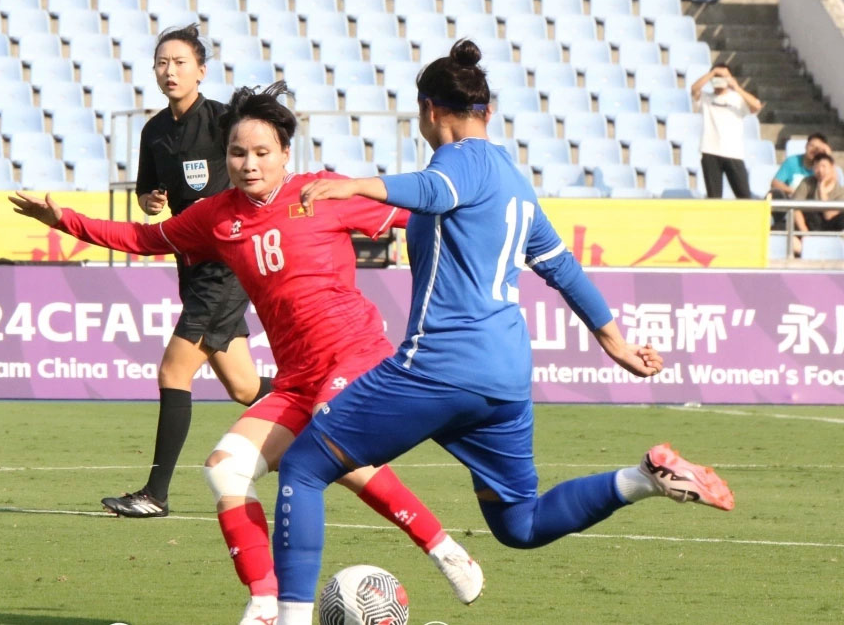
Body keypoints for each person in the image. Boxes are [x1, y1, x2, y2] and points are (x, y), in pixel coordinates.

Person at [271, 40, 735, 625]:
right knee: (521, 524)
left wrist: (356, 184)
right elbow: (561, 267)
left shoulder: (460, 158)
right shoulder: (514, 180)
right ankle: (643, 479)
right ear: (488, 110)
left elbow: (435, 190)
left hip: (441, 366)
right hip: (505, 377)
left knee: (305, 466)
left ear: (429, 111)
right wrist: (615, 344)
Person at [10, 82, 484, 625]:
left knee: (326, 458)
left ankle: (421, 559)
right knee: (225, 471)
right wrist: (65, 220)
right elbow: (144, 238)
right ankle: (265, 600)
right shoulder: (216, 217)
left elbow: (424, 216)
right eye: (238, 153)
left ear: (286, 153)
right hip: (298, 378)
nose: (250, 164)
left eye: (262, 153)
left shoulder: (324, 192)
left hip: (357, 361)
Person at [99, 24, 274, 519]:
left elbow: (258, 168)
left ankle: (155, 494)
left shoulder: (224, 123)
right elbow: (147, 193)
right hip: (191, 267)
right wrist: (150, 199)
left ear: (201, 69)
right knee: (243, 387)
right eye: (162, 63)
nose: (169, 71)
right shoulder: (154, 131)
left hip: (225, 266)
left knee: (174, 370)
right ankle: (326, 406)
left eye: (179, 62)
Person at [691, 63, 763, 199]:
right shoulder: (706, 98)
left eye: (722, 77)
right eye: (716, 78)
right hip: (710, 151)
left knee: (744, 196)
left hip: (733, 153)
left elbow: (756, 106)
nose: (719, 80)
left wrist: (735, 85)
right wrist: (712, 74)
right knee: (714, 198)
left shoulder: (737, 99)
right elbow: (694, 89)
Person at [791, 152, 844, 256]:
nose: (820, 171)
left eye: (824, 166)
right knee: (808, 212)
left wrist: (822, 189)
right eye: (816, 167)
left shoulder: (841, 192)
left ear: (832, 168)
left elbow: (829, 215)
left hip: (831, 228)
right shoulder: (807, 182)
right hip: (808, 228)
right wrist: (805, 234)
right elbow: (794, 208)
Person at [771, 133, 831, 197]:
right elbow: (775, 183)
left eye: (818, 149)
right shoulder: (792, 161)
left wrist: (828, 156)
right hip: (792, 199)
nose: (814, 150)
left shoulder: (823, 167)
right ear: (806, 146)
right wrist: (796, 192)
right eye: (811, 146)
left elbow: (832, 184)